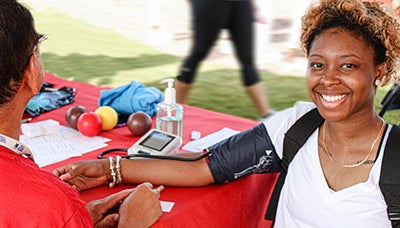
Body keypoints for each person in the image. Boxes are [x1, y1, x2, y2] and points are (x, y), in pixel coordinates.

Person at [54, 0, 400, 226]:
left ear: (379, 71)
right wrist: (109, 167)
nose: (328, 80)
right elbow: (207, 167)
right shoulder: (299, 125)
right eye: (317, 64)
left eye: (349, 65)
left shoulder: (395, 157)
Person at [0, 1, 162, 227]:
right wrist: (131, 223)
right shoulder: (51, 203)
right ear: (31, 70)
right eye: (38, 45)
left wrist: (77, 219)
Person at [175, 0, 273, 119]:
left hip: (241, 4)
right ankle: (176, 109)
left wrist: (254, 6)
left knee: (247, 59)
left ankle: (266, 115)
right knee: (198, 53)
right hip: (211, 4)